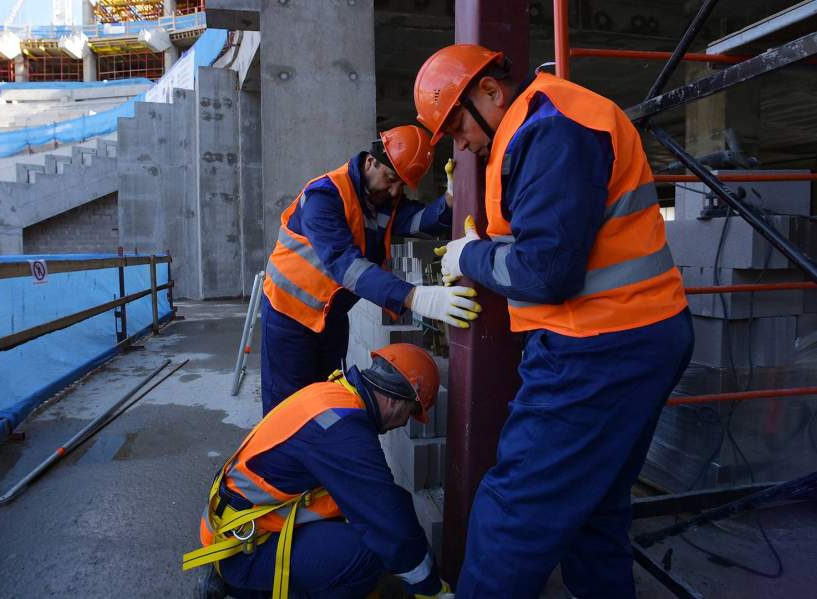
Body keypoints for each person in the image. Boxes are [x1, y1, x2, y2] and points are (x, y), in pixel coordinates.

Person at [413, 44, 694, 598]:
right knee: (596, 508)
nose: (460, 143)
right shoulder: (537, 125)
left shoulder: (553, 129)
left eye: (456, 127)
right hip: (632, 335)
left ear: (490, 92)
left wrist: (468, 257)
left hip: (599, 344)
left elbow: (547, 272)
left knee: (516, 509)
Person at [184, 343, 455, 599]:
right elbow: (388, 522)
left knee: (372, 517)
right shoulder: (343, 429)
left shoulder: (337, 397)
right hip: (245, 546)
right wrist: (430, 587)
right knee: (371, 553)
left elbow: (381, 496)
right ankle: (242, 587)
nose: (403, 423)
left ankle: (237, 579)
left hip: (241, 527)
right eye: (410, 413)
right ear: (397, 401)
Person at [260, 124, 481, 414]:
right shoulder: (324, 196)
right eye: (390, 178)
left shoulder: (381, 199)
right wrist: (416, 298)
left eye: (401, 185)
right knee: (288, 411)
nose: (394, 191)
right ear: (370, 161)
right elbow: (346, 266)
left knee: (324, 405)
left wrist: (451, 201)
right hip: (289, 315)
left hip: (330, 317)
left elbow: (417, 221)